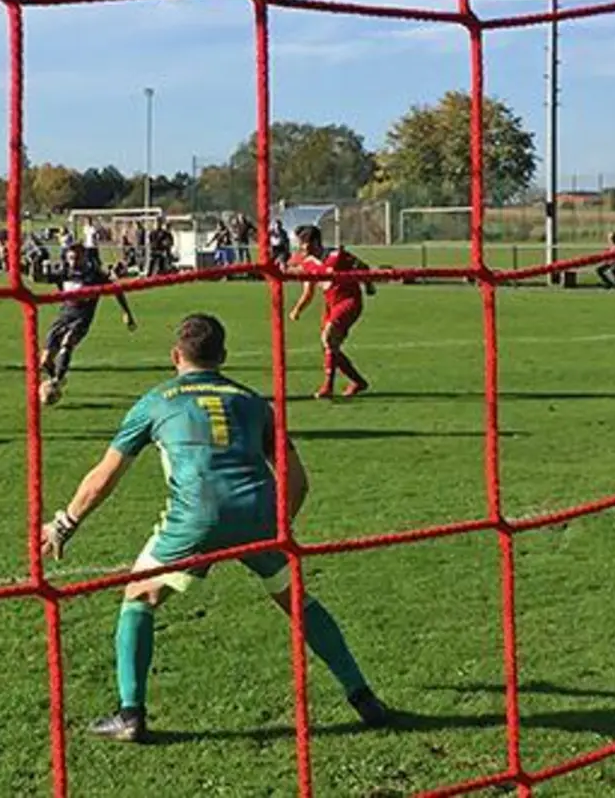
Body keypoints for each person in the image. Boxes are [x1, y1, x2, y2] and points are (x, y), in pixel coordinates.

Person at [40, 314, 390, 743]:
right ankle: (363, 696)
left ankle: (131, 714)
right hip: (260, 513)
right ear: (223, 357)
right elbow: (297, 481)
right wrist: (278, 529)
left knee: (139, 596)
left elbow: (105, 475)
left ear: (175, 357)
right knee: (297, 600)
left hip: (197, 516)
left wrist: (64, 524)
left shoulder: (156, 400)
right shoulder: (254, 401)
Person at [288, 225, 375, 399]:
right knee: (330, 346)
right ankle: (358, 382)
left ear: (315, 242)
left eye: (303, 243)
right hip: (330, 305)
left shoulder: (337, 255)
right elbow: (308, 290)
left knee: (328, 337)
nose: (301, 248)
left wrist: (368, 285)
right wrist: (297, 309)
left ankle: (327, 387)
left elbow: (363, 266)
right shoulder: (308, 263)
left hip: (349, 301)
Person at [37, 243, 137, 393]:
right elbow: (40, 278)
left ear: (84, 257)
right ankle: (56, 379)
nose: (73, 261)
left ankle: (57, 380)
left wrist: (126, 313)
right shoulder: (64, 272)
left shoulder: (95, 275)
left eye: (77, 258)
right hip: (63, 317)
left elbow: (116, 290)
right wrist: (35, 264)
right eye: (70, 258)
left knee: (67, 343)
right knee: (45, 360)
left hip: (81, 318)